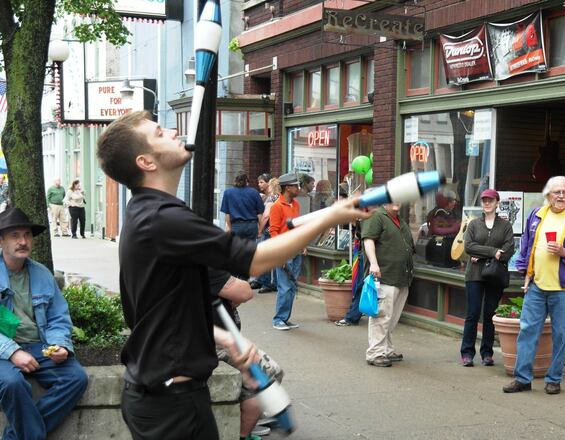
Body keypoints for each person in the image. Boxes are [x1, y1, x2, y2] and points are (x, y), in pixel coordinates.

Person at [95, 111, 368, 439]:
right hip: (169, 406)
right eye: (159, 133)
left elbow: (156, 317)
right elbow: (254, 260)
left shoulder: (146, 215)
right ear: (146, 162)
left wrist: (221, 337)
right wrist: (328, 217)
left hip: (166, 397)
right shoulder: (162, 220)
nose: (171, 130)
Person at [0, 207, 88, 439]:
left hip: (38, 347)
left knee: (76, 378)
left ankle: (15, 437)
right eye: (15, 236)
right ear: (1, 241)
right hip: (2, 350)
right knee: (12, 384)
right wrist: (11, 352)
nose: (23, 241)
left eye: (27, 235)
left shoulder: (42, 274)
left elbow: (58, 316)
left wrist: (60, 344)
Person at [504, 176, 565, 395]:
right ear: (548, 195)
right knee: (527, 331)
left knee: (561, 335)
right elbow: (526, 245)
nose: (561, 196)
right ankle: (522, 378)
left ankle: (554, 379)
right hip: (537, 286)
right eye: (557, 193)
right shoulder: (536, 216)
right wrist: (525, 271)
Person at [208, 269, 283, 439]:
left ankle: (248, 421)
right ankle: (243, 433)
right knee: (268, 374)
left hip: (216, 340)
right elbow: (244, 292)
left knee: (261, 374)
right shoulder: (205, 264)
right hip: (215, 345)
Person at [460, 189, 514, 367]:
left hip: (495, 275)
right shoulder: (474, 224)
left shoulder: (505, 226)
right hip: (474, 274)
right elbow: (468, 246)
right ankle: (467, 353)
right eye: (484, 201)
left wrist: (481, 254)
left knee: (490, 314)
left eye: (490, 200)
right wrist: (492, 252)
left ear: (497, 202)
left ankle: (487, 353)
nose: (487, 203)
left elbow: (508, 250)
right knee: (473, 313)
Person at [362, 203, 414, 367]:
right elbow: (368, 240)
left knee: (391, 317)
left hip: (401, 277)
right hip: (384, 275)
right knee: (382, 316)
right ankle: (375, 353)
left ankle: (387, 349)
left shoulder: (399, 220)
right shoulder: (377, 217)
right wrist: (373, 263)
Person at [269, 173, 304, 331]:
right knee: (285, 286)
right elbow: (273, 231)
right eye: (296, 186)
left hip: (295, 250)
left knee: (291, 286)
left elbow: (297, 226)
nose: (298, 188)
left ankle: (285, 318)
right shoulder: (277, 206)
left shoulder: (296, 204)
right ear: (287, 188)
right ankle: (279, 319)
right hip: (284, 251)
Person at [249, 174, 277, 293]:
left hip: (268, 230)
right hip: (277, 231)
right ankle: (275, 282)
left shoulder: (271, 198)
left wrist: (260, 230)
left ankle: (265, 282)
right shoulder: (279, 197)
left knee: (265, 257)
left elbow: (266, 216)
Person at [220, 173, 265, 241]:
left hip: (236, 226)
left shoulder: (228, 192)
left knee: (237, 249)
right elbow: (260, 215)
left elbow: (227, 214)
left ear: (235, 180)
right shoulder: (254, 192)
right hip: (251, 226)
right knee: (250, 249)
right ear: (246, 181)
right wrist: (260, 230)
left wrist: (230, 227)